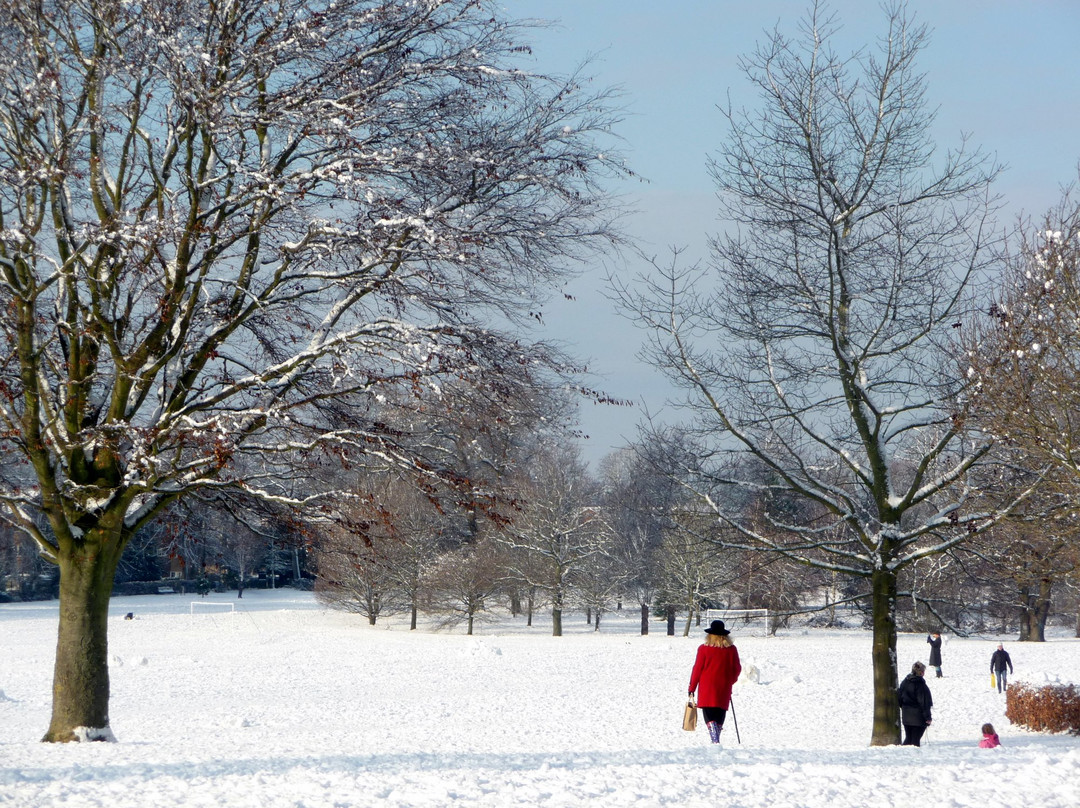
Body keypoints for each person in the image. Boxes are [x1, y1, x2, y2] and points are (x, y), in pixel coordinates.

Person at [688, 619, 742, 744]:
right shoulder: (731, 649)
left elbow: (697, 669)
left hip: (707, 686)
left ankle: (714, 737)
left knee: (709, 714)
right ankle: (716, 735)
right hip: (724, 686)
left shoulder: (703, 649)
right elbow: (737, 668)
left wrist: (692, 688)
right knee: (720, 714)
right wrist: (730, 681)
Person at [896, 661, 933, 747]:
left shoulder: (905, 682)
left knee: (909, 738)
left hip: (906, 716)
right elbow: (924, 702)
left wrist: (905, 709)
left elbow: (899, 698)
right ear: (921, 672)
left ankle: (904, 755)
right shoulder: (920, 684)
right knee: (915, 741)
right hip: (918, 717)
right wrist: (928, 717)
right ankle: (913, 757)